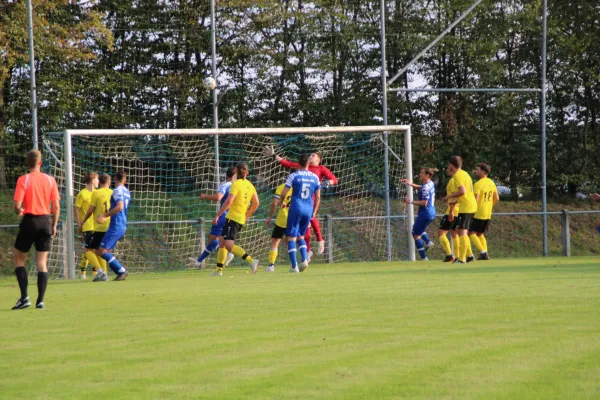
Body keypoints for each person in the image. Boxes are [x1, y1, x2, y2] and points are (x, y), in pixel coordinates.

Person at [265, 146, 337, 258]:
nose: (310, 156)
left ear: (318, 160)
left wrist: (329, 182)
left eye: (313, 155)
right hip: (301, 201)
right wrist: (274, 156)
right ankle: (307, 252)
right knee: (305, 230)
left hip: (311, 199)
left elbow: (334, 179)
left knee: (311, 218)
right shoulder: (302, 167)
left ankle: (320, 240)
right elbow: (287, 163)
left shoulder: (321, 169)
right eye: (310, 155)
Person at [12, 149, 60, 310]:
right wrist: (53, 225)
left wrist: (19, 210)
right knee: (41, 262)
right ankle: (40, 301)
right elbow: (56, 206)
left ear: (28, 163)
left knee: (19, 259)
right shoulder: (50, 180)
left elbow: (17, 205)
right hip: (45, 221)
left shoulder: (23, 180)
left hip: (30, 221)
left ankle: (25, 297)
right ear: (40, 162)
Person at [211, 163, 260, 276]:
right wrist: (247, 215)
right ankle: (218, 271)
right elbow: (256, 203)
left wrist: (218, 215)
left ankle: (251, 260)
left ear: (237, 172)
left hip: (233, 218)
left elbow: (228, 202)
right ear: (247, 173)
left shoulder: (236, 184)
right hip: (239, 218)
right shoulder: (250, 185)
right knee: (222, 242)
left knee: (228, 244)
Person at [279, 154, 321, 273]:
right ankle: (304, 260)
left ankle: (294, 266)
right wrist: (314, 211)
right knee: (301, 236)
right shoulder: (315, 177)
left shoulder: (293, 176)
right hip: (308, 209)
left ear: (298, 163)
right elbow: (318, 197)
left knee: (291, 237)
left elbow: (283, 193)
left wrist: (282, 203)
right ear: (309, 163)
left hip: (296, 208)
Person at [189, 167, 236, 269]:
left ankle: (227, 255)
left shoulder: (226, 184)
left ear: (226, 176)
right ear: (235, 176)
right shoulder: (237, 186)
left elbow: (218, 197)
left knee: (213, 239)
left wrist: (205, 196)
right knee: (215, 239)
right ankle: (198, 261)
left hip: (224, 215)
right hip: (233, 216)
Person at [442, 156, 478, 264]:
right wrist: (456, 201)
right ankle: (469, 256)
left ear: (452, 165)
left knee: (462, 232)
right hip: (469, 205)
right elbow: (466, 192)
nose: (448, 167)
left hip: (467, 206)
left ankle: (462, 259)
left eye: (449, 165)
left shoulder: (457, 176)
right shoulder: (465, 173)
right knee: (461, 231)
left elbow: (462, 191)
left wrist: (448, 197)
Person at [96, 171, 131, 281]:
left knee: (101, 250)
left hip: (116, 225)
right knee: (107, 251)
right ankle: (119, 273)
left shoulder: (117, 191)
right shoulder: (127, 191)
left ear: (115, 179)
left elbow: (119, 207)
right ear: (124, 179)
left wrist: (105, 215)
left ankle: (121, 270)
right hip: (122, 224)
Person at [81, 174, 113, 281]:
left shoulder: (96, 193)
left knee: (87, 250)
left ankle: (100, 271)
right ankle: (104, 274)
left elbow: (90, 211)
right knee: (102, 250)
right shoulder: (112, 193)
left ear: (100, 182)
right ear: (108, 183)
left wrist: (83, 222)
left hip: (99, 227)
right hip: (110, 226)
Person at [402, 168, 437, 261]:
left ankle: (424, 258)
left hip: (425, 213)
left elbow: (424, 203)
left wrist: (410, 201)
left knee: (415, 233)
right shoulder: (430, 183)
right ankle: (428, 242)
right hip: (431, 212)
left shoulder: (426, 187)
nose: (419, 174)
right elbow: (421, 187)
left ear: (427, 175)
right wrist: (410, 184)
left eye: (421, 173)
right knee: (419, 229)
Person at [264, 170, 296, 272]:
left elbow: (274, 204)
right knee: (290, 242)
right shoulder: (299, 188)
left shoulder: (282, 187)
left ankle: (271, 265)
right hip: (294, 219)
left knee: (275, 241)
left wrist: (270, 217)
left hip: (282, 219)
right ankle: (294, 265)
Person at [469, 163, 499, 260]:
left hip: (478, 213)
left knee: (471, 233)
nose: (475, 171)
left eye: (477, 170)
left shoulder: (477, 184)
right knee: (480, 234)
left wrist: (472, 212)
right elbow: (497, 198)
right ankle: (485, 253)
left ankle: (483, 252)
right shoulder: (491, 182)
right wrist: (489, 205)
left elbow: (476, 200)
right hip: (487, 213)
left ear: (483, 172)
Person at [75, 172, 101, 279]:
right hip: (87, 226)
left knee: (94, 250)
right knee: (88, 249)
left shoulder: (97, 193)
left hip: (97, 226)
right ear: (92, 180)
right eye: (97, 179)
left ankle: (95, 273)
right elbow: (77, 208)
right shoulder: (82, 193)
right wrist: (79, 223)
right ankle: (83, 273)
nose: (98, 181)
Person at [438, 170, 460, 262]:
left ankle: (449, 255)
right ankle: (457, 256)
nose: (447, 170)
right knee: (455, 233)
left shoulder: (454, 181)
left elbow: (456, 196)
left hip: (453, 210)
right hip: (459, 210)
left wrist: (451, 210)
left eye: (449, 168)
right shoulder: (458, 179)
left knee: (441, 233)